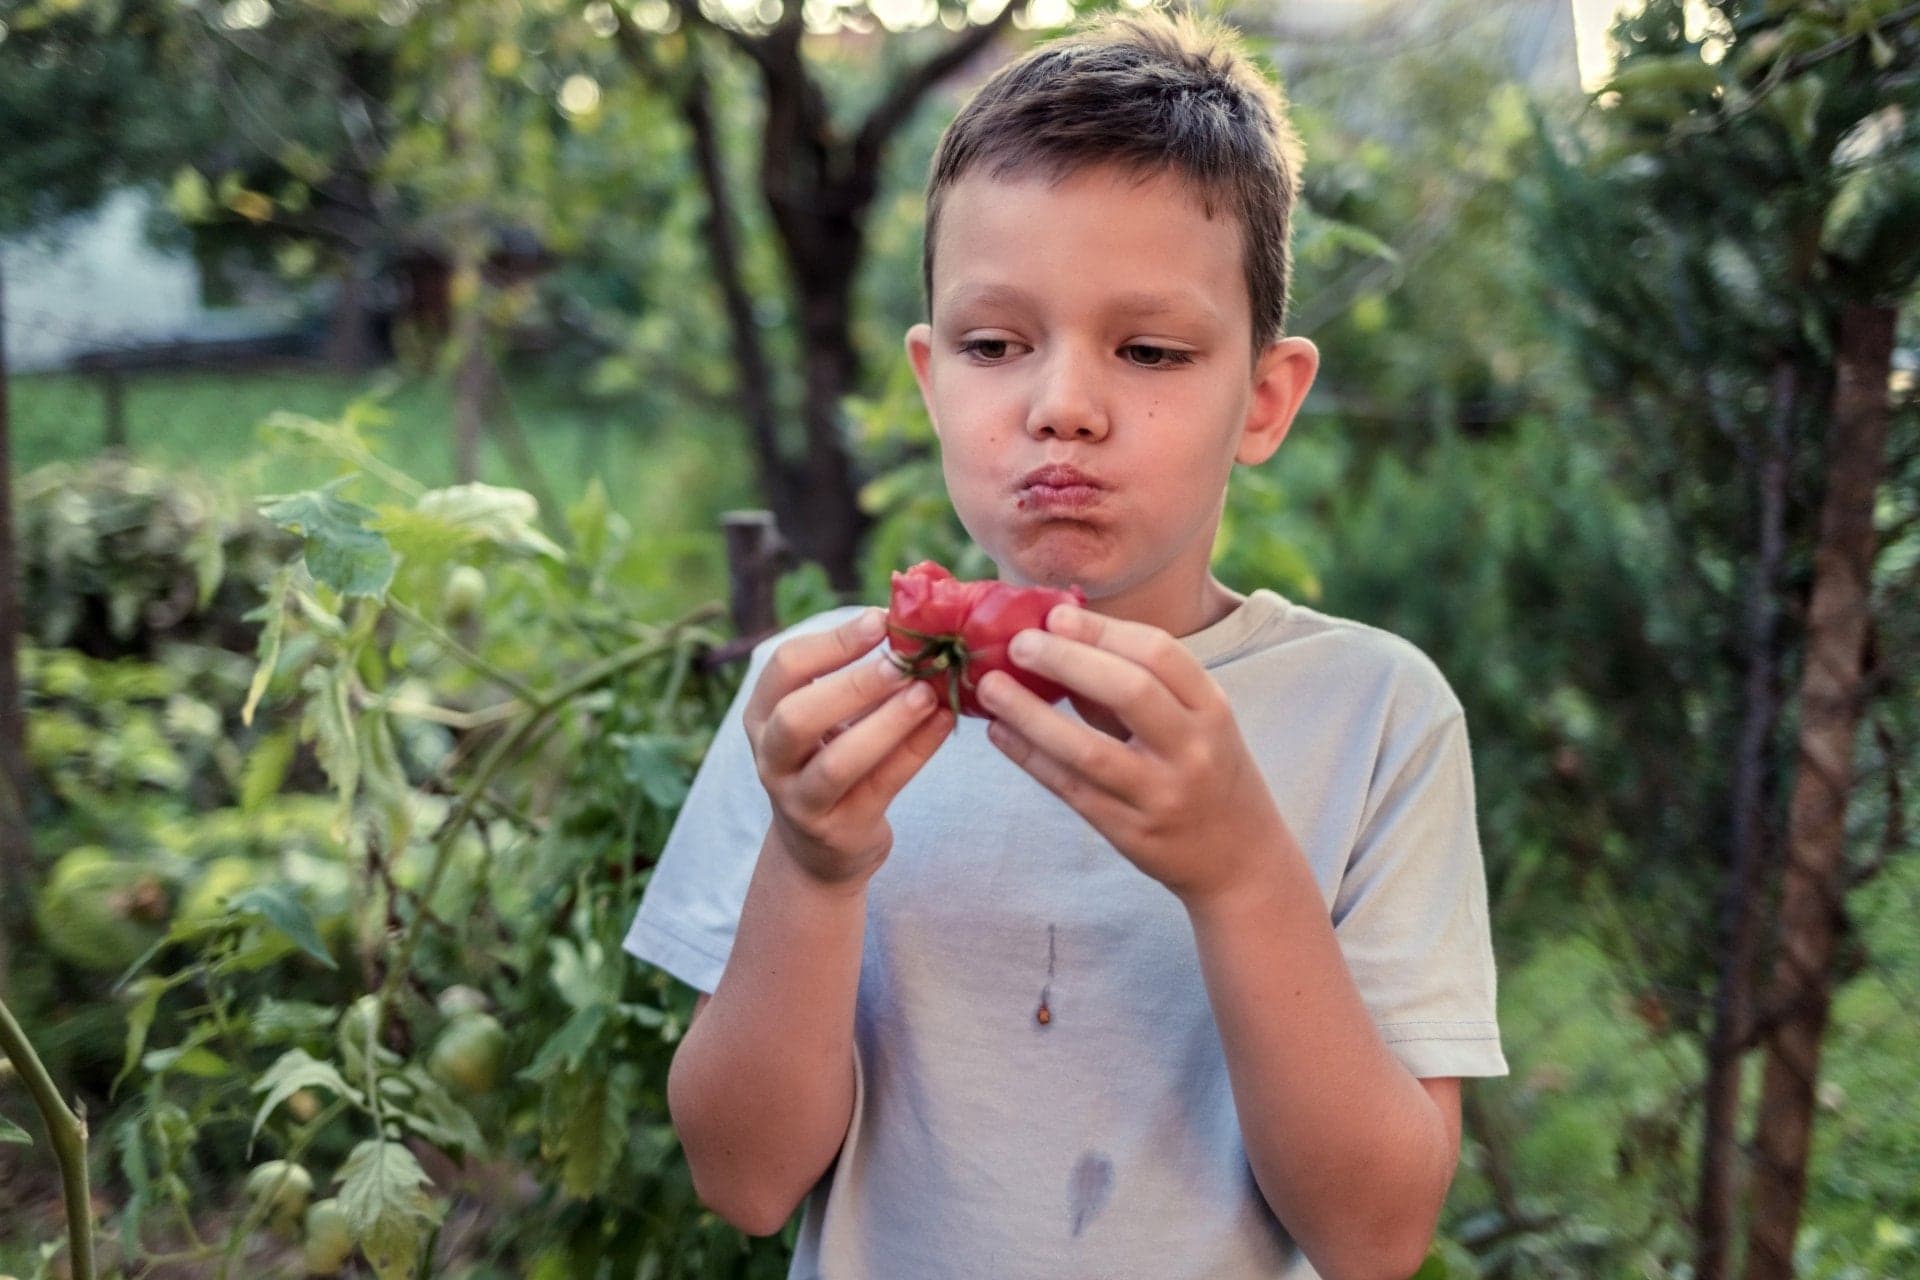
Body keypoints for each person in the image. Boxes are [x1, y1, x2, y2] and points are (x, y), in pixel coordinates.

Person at [623, 8, 1508, 1277]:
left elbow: (1374, 1234)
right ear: (932, 381)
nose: (1063, 406)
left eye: (1148, 349)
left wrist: (1239, 868)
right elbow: (747, 1178)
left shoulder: (1373, 716)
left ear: (1263, 399)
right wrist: (815, 865)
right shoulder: (819, 706)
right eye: (995, 345)